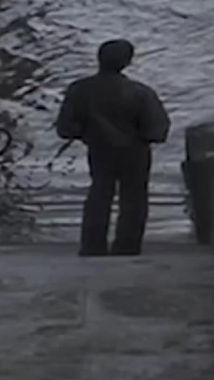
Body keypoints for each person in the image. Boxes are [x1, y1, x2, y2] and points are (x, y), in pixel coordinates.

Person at [55, 39, 171, 256]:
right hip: (135, 150)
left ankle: (92, 246)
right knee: (134, 198)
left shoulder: (79, 89)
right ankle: (127, 246)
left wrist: (86, 133)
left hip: (99, 149)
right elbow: (157, 129)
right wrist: (143, 136)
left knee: (99, 194)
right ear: (127, 62)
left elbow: (65, 128)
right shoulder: (141, 92)